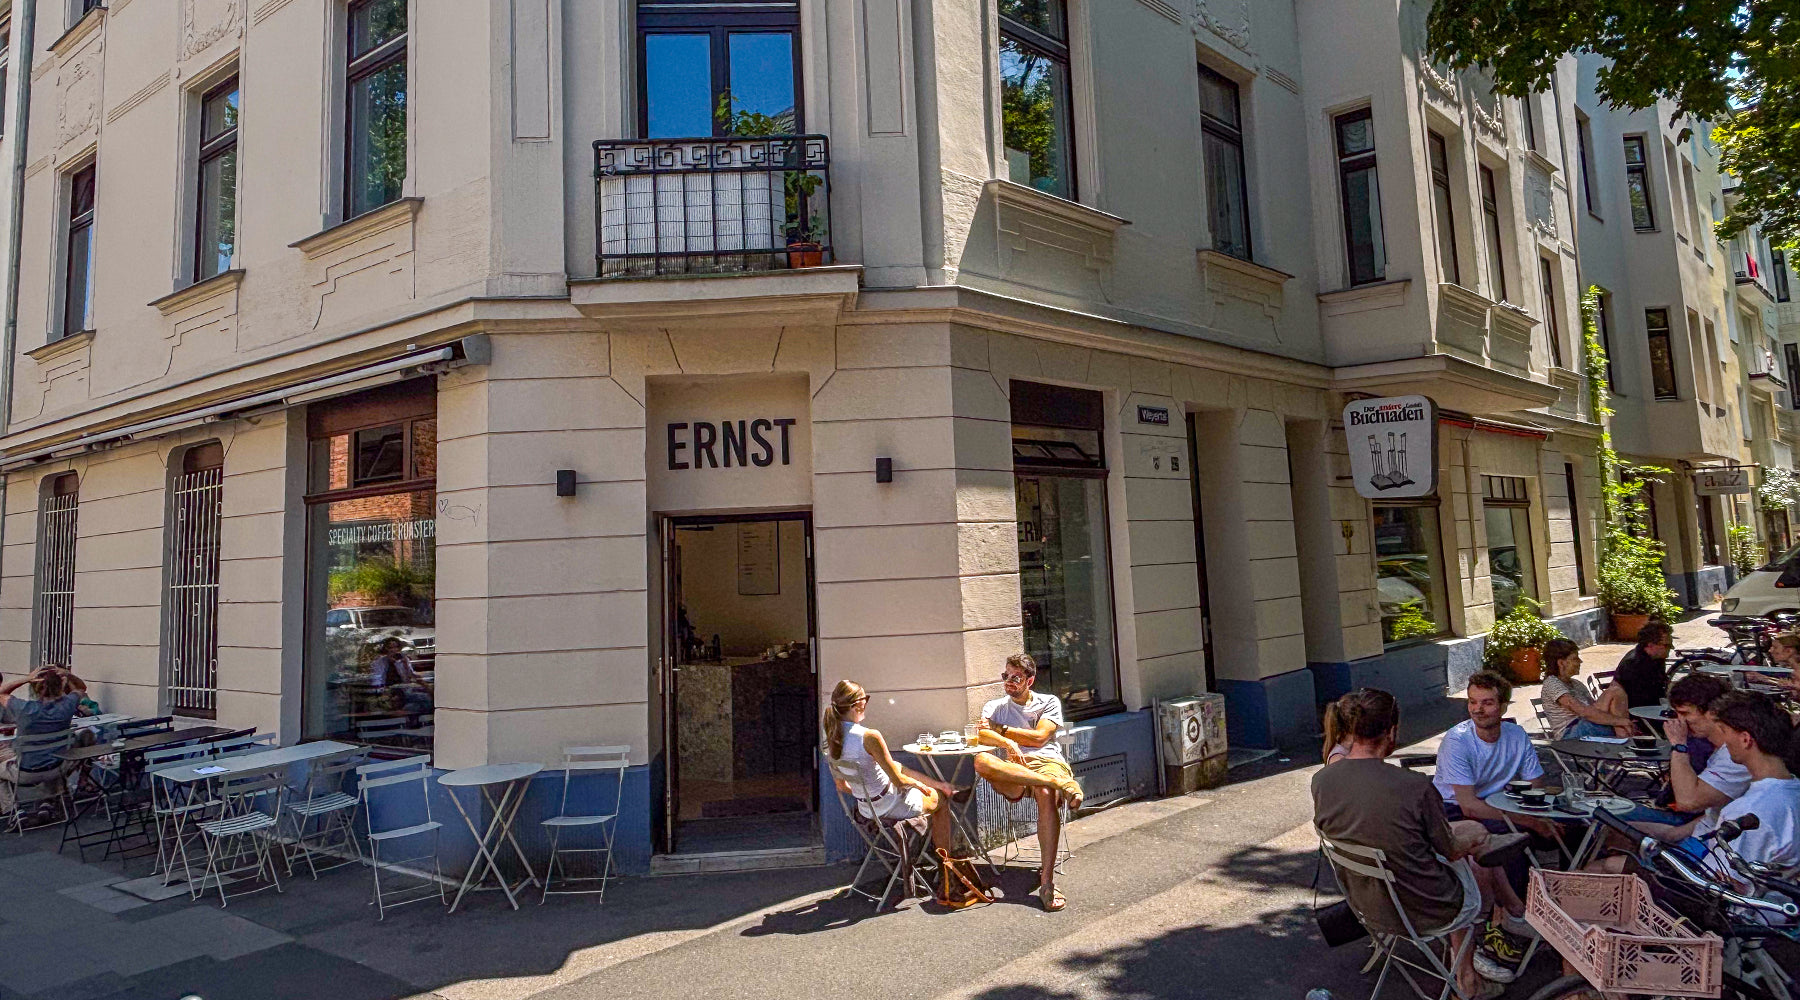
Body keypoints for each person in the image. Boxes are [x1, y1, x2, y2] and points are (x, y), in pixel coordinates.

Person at [1312, 688, 1529, 998]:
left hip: (1368, 905)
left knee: (1463, 837)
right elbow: (1450, 849)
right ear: (1391, 731)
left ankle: (1498, 928)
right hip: (1426, 908)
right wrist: (1476, 835)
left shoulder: (1323, 780)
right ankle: (1472, 972)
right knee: (1468, 852)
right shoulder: (1413, 786)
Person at [972, 653, 1084, 912]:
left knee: (1045, 793)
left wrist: (1001, 730)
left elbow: (1038, 739)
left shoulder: (1048, 702)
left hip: (1046, 761)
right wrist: (1008, 742)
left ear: (1030, 680)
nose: (1009, 682)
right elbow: (981, 734)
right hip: (1015, 769)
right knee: (981, 761)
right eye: (1006, 676)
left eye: (1016, 678)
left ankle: (1047, 882)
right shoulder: (995, 706)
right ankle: (1061, 784)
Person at [821, 680, 961, 866]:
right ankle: (947, 865)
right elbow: (899, 782)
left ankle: (940, 786)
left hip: (867, 809)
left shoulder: (832, 740)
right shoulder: (869, 736)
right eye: (866, 699)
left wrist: (868, 794)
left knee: (897, 766)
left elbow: (842, 786)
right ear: (857, 705)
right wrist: (920, 785)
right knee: (941, 800)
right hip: (890, 805)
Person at [0, 666, 87, 822]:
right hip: (57, 768)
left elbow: (1, 692)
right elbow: (81, 687)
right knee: (54, 752)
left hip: (25, 772)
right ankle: (47, 802)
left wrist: (27, 678)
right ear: (61, 686)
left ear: (35, 687)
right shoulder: (66, 706)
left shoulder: (25, 709)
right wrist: (67, 673)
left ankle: (12, 810)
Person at [1538, 638, 1633, 739]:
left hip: (1587, 725)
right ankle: (1625, 736)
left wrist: (1617, 720)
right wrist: (1620, 721)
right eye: (1575, 658)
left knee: (1615, 692)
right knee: (1614, 692)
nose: (1580, 661)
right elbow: (1583, 711)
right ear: (1561, 663)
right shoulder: (1552, 683)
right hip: (1570, 734)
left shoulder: (1577, 684)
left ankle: (1624, 735)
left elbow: (1596, 709)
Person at [1610, 622, 1674, 709]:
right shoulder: (1634, 665)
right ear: (1650, 645)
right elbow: (1641, 700)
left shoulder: (1657, 658)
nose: (1671, 648)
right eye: (1666, 645)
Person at [368, 638, 433, 720]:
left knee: (425, 698)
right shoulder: (379, 662)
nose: (393, 650)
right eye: (390, 648)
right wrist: (382, 691)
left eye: (395, 648)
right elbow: (377, 679)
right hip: (389, 691)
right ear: (386, 649)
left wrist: (404, 665)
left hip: (404, 690)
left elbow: (410, 676)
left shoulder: (403, 659)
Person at [1746, 629, 1800, 697]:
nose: (1770, 650)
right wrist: (1763, 678)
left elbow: (1794, 687)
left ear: (1789, 651)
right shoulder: (1794, 669)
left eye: (1775, 647)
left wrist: (1765, 679)